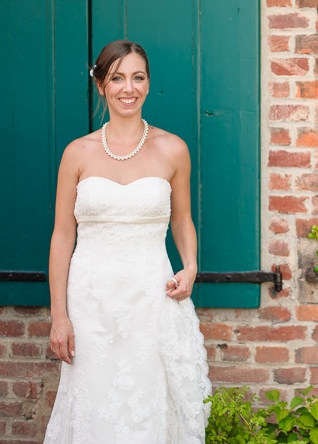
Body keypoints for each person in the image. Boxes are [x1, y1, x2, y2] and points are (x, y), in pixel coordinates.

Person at [45, 40, 211, 442]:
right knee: (93, 407)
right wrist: (59, 315)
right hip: (90, 304)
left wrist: (190, 267)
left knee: (148, 405)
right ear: (100, 85)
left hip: (151, 300)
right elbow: (62, 237)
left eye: (137, 77)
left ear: (148, 84)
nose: (128, 88)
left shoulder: (173, 150)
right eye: (117, 78)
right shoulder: (77, 154)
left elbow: (183, 220)